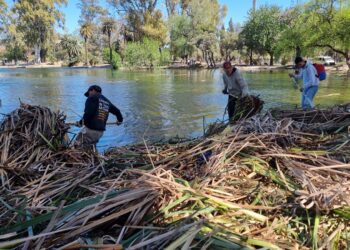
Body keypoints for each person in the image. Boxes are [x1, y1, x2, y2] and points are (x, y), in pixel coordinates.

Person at [75, 85, 123, 149]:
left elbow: (88, 113)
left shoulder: (92, 97)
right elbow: (117, 111)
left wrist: (80, 123)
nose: (88, 96)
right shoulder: (107, 101)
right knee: (91, 148)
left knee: (76, 146)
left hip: (90, 130)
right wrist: (120, 120)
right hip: (99, 133)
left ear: (92, 90)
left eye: (88, 93)